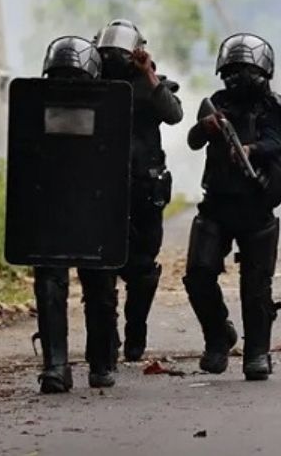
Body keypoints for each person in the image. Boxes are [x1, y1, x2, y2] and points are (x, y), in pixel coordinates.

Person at [184, 33, 281, 380]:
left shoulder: (275, 108)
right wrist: (205, 127)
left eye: (246, 70)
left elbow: (275, 142)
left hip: (255, 207)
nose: (238, 78)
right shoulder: (216, 103)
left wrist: (250, 149)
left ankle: (257, 352)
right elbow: (193, 140)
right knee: (198, 275)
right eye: (233, 71)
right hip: (217, 203)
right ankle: (218, 337)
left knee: (257, 285)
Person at [33, 36, 119, 392]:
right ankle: (55, 365)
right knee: (50, 281)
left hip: (93, 208)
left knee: (99, 284)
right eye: (60, 77)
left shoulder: (111, 109)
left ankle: (101, 362)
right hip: (54, 209)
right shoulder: (33, 108)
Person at [94, 19, 184, 360]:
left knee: (144, 268)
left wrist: (148, 74)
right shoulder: (95, 84)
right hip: (103, 187)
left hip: (145, 186)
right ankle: (106, 336)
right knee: (101, 266)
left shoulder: (152, 85)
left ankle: (136, 333)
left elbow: (173, 115)